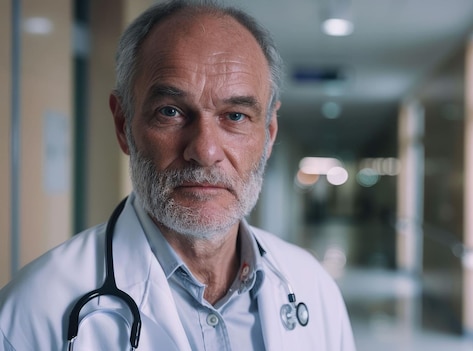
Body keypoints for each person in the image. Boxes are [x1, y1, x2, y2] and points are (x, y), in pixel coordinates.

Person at [0, 0, 356, 350]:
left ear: (269, 133)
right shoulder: (32, 313)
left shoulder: (312, 286)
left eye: (235, 116)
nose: (204, 150)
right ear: (123, 124)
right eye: (170, 112)